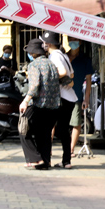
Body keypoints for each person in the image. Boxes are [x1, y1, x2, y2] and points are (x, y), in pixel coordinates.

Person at [19, 39, 60, 170]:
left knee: (23, 129)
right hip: (53, 106)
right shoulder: (52, 64)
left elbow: (35, 85)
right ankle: (45, 161)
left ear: (32, 52)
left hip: (38, 104)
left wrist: (25, 101)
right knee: (45, 135)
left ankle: (35, 159)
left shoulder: (34, 65)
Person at [42, 31, 76, 169]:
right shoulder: (63, 55)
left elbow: (62, 72)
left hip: (60, 98)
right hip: (70, 97)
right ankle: (66, 161)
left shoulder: (54, 56)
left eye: (44, 42)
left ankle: (46, 160)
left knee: (47, 128)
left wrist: (49, 77)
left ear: (48, 43)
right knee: (63, 130)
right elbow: (71, 74)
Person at [68, 38, 94, 155]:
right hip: (60, 96)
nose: (72, 42)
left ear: (80, 42)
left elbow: (89, 81)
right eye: (70, 39)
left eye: (75, 40)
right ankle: (49, 149)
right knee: (55, 123)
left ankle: (71, 149)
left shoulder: (85, 59)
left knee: (76, 122)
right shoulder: (63, 56)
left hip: (76, 96)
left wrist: (86, 98)